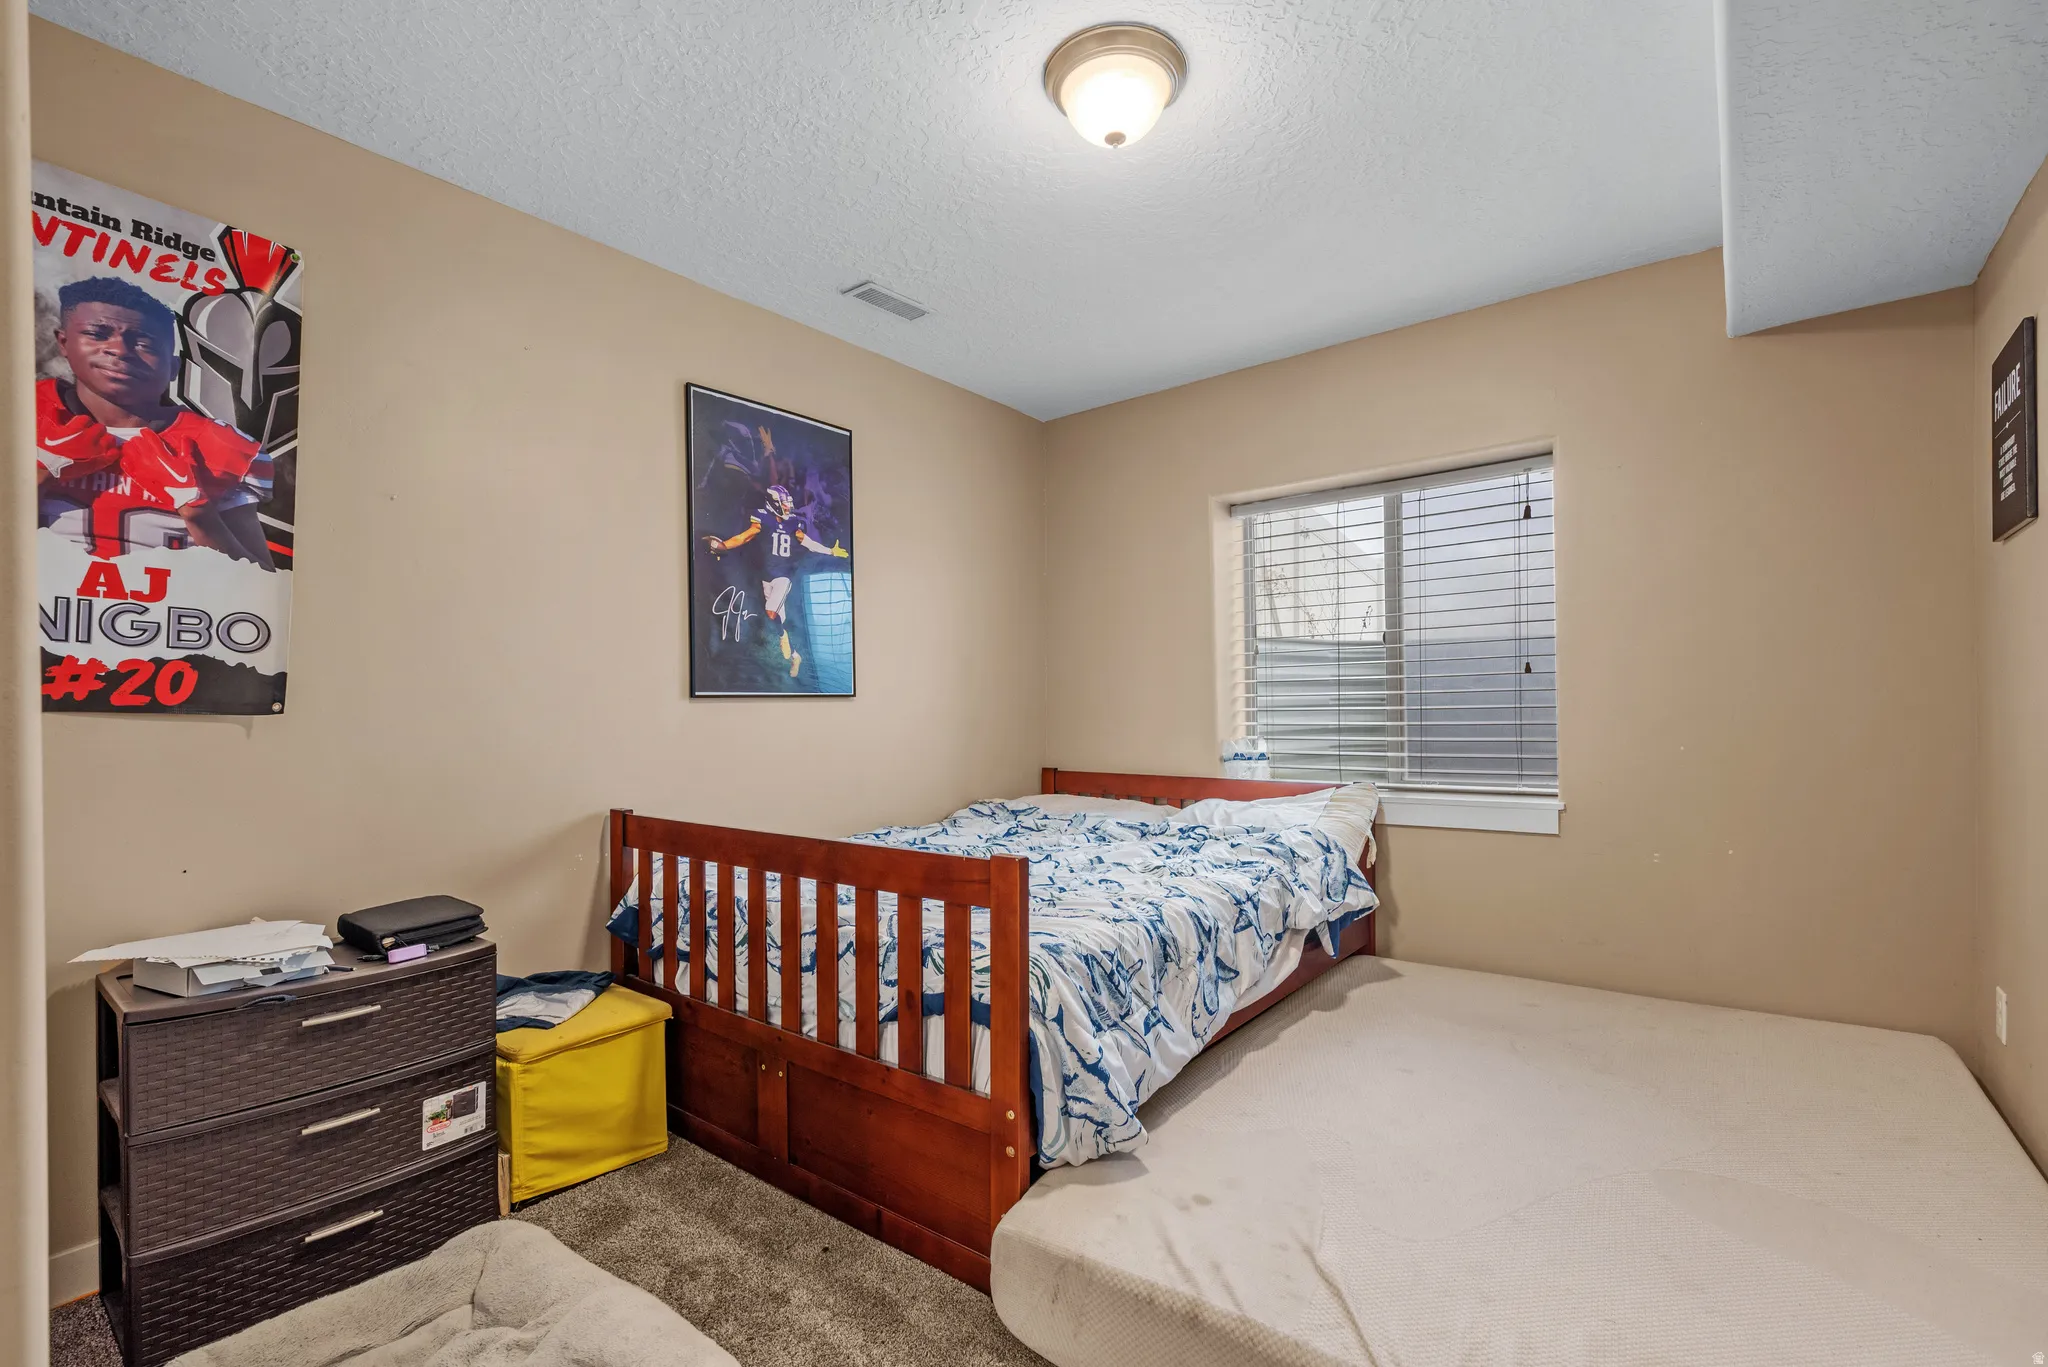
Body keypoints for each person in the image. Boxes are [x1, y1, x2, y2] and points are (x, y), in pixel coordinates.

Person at [35, 276, 274, 566]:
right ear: (64, 342)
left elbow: (259, 579)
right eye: (98, 334)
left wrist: (196, 510)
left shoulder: (220, 447)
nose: (120, 350)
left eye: (143, 341)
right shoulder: (23, 415)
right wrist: (39, 476)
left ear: (173, 367)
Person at [704, 482, 848, 679]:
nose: (789, 506)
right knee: (781, 619)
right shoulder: (762, 518)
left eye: (788, 503)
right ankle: (795, 656)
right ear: (774, 503)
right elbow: (745, 537)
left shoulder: (792, 523)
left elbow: (806, 541)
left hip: (783, 576)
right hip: (765, 578)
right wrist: (725, 546)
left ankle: (783, 638)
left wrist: (829, 550)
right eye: (785, 503)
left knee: (771, 613)